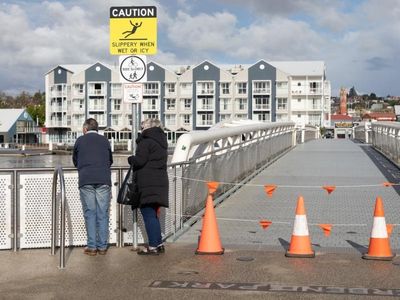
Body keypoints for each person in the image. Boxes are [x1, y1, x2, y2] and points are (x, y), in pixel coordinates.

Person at [73, 118, 113, 256]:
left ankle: (92, 247)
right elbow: (110, 160)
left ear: (85, 129)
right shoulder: (105, 140)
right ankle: (102, 246)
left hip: (86, 179)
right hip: (103, 179)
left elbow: (75, 161)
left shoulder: (80, 140)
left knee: (90, 212)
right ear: (97, 129)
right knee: (103, 213)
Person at [128, 118, 169, 255]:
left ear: (147, 128)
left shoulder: (146, 142)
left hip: (147, 183)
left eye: (142, 126)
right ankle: (158, 243)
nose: (141, 129)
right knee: (153, 214)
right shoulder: (162, 141)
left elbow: (139, 161)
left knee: (148, 214)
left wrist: (131, 159)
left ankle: (153, 246)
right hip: (160, 181)